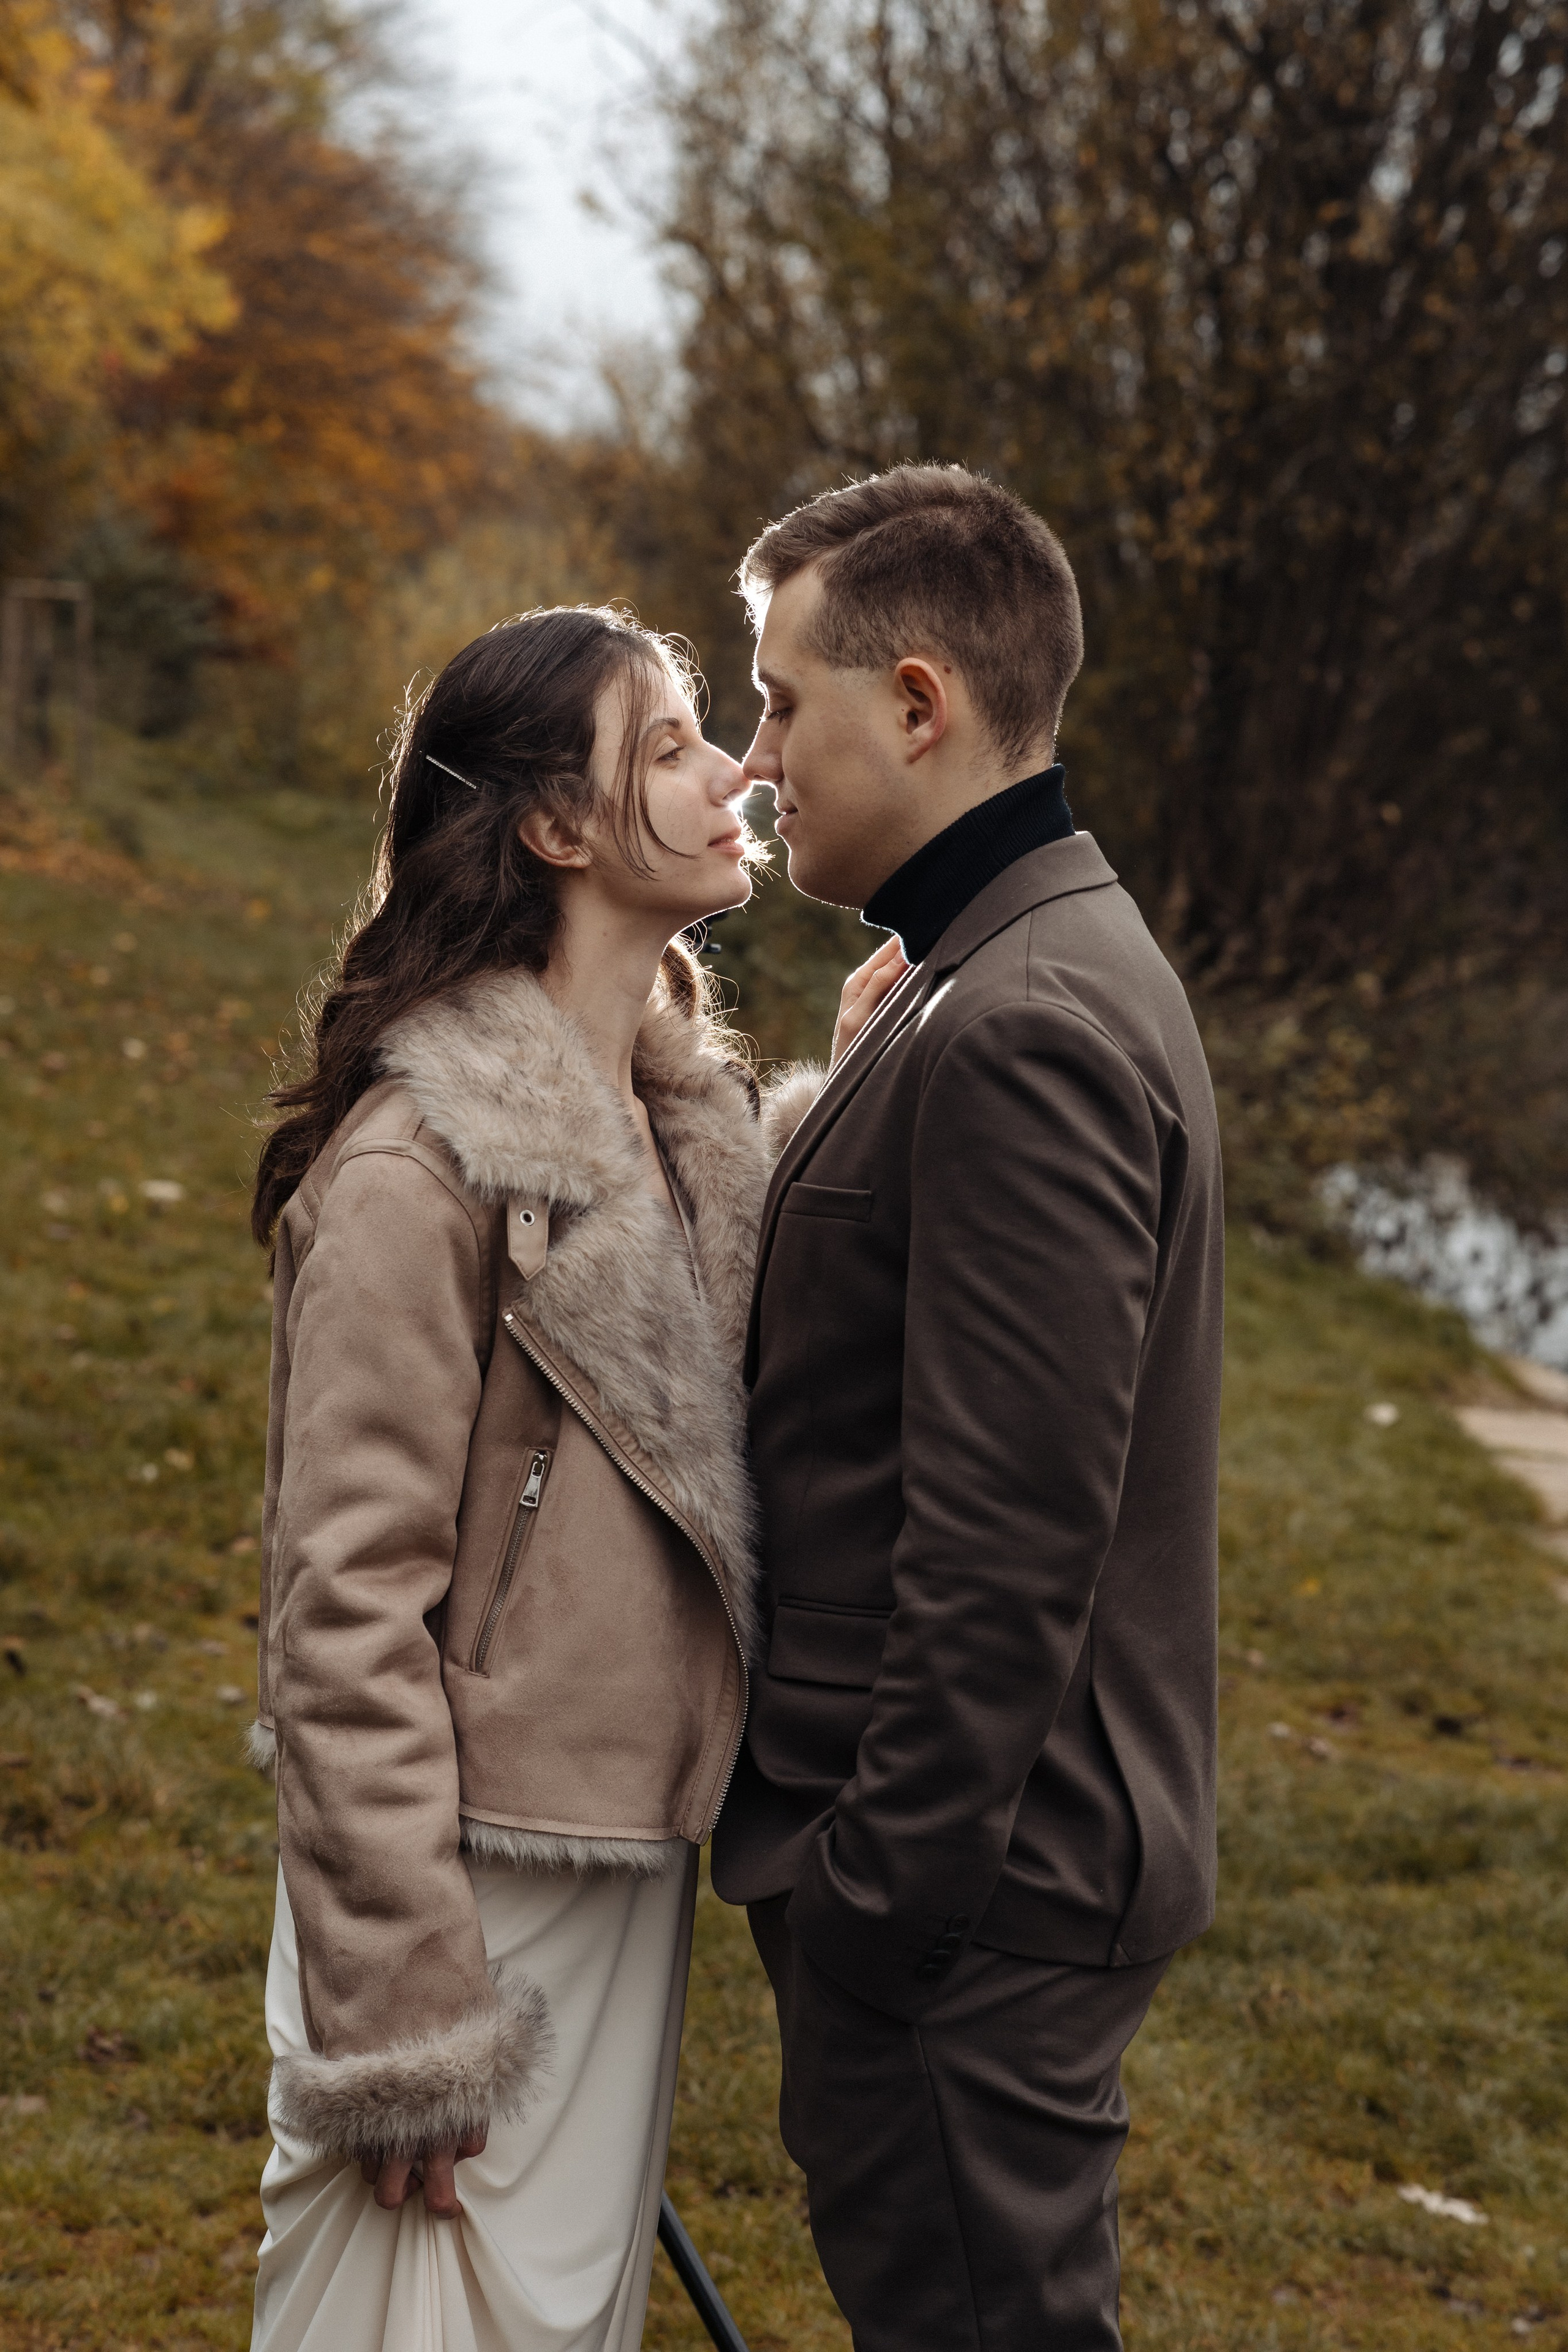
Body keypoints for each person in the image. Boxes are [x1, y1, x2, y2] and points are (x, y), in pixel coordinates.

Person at [712, 464, 1226, 2352]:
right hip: (987, 1877)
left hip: (975, 1897)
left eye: (778, 700)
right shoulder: (999, 965)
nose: (755, 758)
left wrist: (881, 1902)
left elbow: (1010, 1542)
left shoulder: (1026, 1020)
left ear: (917, 705)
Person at [244, 605, 780, 2352]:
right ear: (554, 826)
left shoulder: (681, 1133)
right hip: (459, 1898)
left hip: (627, 1867)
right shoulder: (420, 1164)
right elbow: (340, 1610)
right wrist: (405, 2005)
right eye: (679, 744)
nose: (739, 771)